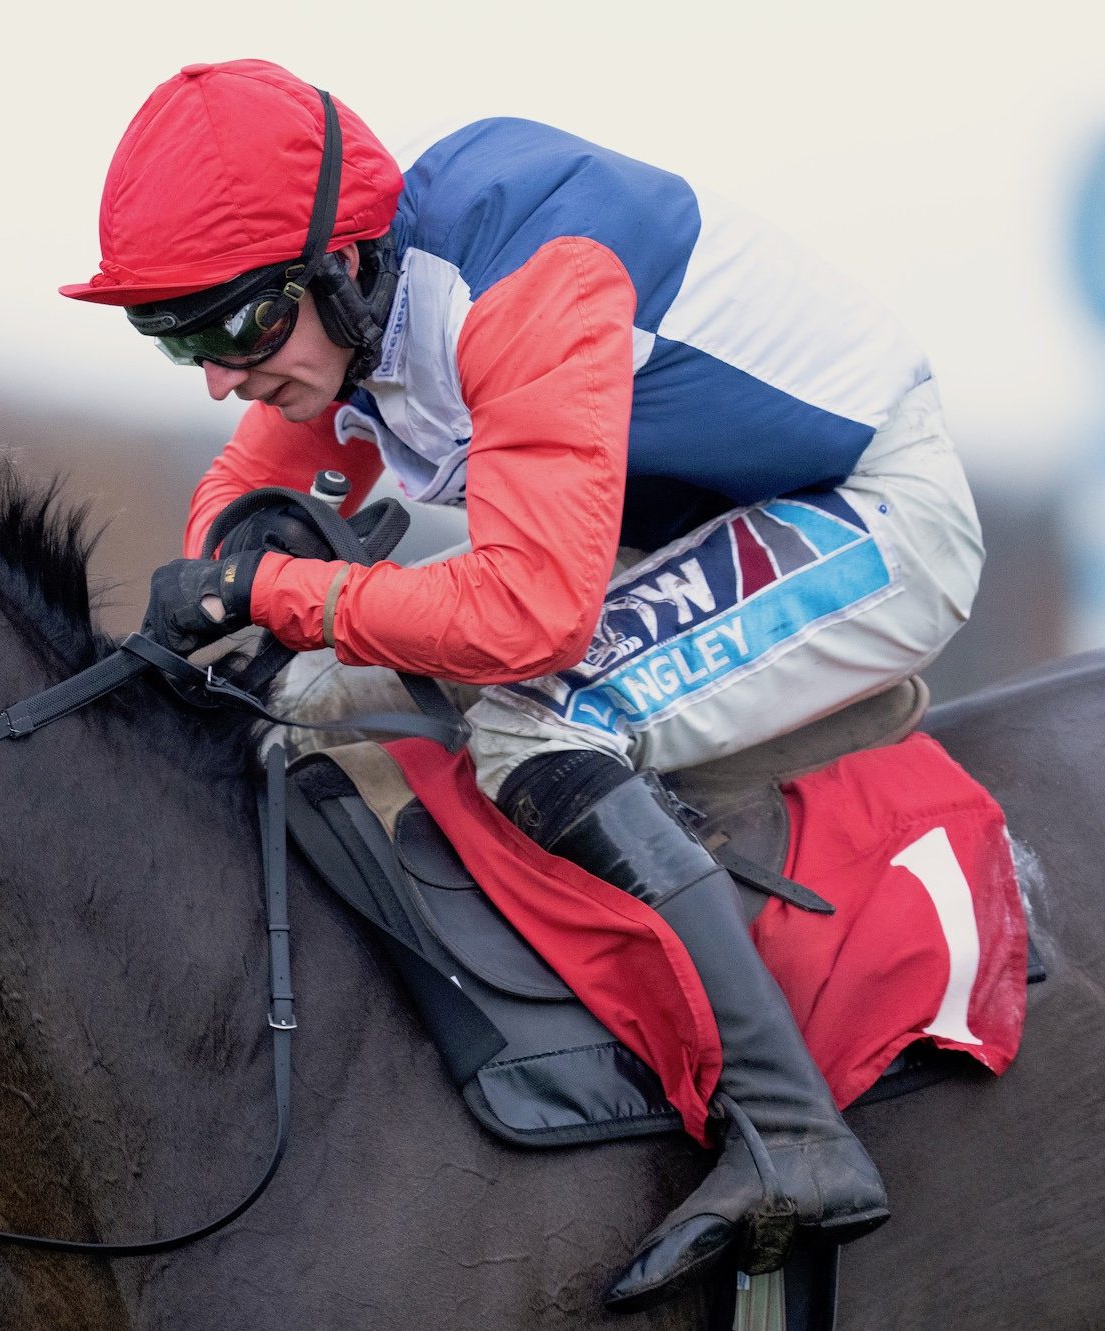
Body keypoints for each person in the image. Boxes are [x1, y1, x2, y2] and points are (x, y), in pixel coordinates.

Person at [61, 59, 983, 1311]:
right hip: (698, 531)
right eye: (174, 337)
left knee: (535, 716)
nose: (219, 372)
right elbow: (248, 493)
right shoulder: (353, 311)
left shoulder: (520, 279)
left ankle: (793, 1133)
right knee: (313, 689)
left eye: (234, 328)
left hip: (868, 511)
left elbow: (530, 617)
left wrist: (276, 594)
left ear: (341, 266)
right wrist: (239, 566)